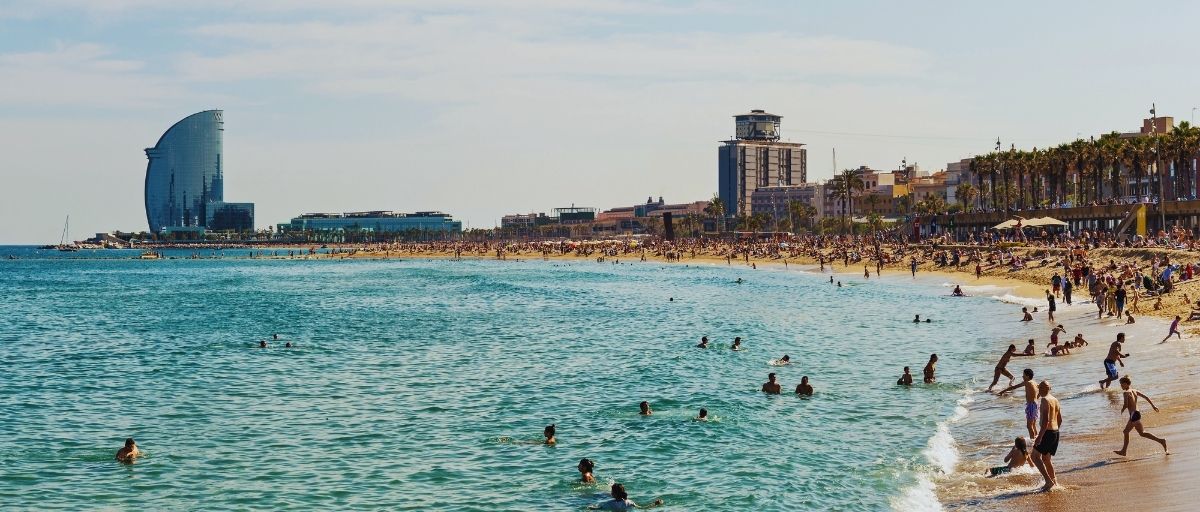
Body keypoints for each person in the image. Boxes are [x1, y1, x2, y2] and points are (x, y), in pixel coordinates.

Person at [1113, 376, 1168, 456]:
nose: (1121, 386)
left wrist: (1122, 409)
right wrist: (1153, 406)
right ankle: (1124, 451)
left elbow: (1126, 404)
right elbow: (1146, 397)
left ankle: (1161, 441)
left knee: (1142, 433)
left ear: (1125, 384)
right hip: (1136, 413)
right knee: (1126, 431)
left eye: (1121, 384)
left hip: (1133, 415)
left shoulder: (1126, 393)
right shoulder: (1134, 390)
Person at [1030, 380, 1062, 491]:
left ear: (1042, 389)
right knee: (1046, 459)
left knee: (1034, 456)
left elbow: (1045, 421)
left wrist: (1040, 436)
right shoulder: (1055, 399)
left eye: (1040, 388)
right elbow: (1060, 419)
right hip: (1055, 432)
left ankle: (1048, 481)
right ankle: (1054, 481)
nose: (1039, 390)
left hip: (1047, 432)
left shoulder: (1044, 400)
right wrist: (1054, 433)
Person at [999, 368, 1040, 439]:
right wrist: (1036, 398)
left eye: (1023, 375)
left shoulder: (1028, 382)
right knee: (1033, 425)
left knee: (1029, 426)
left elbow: (1015, 387)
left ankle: (1032, 441)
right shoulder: (1034, 382)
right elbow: (1040, 389)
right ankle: (1036, 439)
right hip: (1035, 404)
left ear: (1027, 376)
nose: (1022, 376)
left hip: (1031, 405)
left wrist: (1003, 391)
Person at [590, 483, 662, 510]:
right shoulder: (629, 502)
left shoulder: (609, 504)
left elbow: (598, 509)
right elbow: (642, 508)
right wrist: (654, 504)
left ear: (614, 494)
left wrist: (590, 507)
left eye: (612, 491)